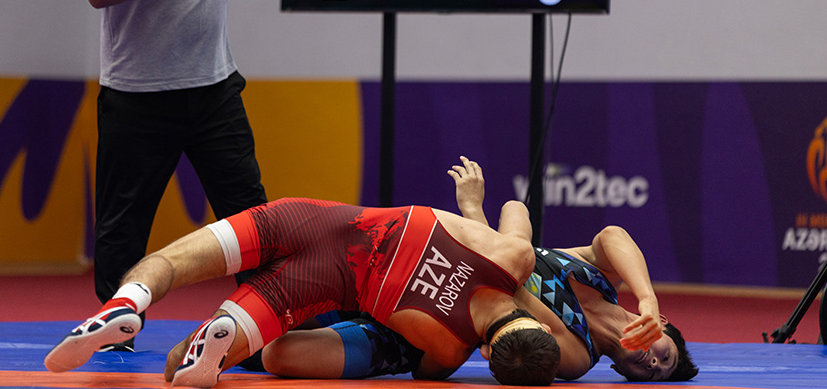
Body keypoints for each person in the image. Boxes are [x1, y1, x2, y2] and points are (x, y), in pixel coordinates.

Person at [82, 0, 388, 350]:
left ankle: (265, 321)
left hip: (213, 93)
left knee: (251, 217)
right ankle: (114, 331)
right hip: (136, 97)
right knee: (121, 227)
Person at [44, 158, 562, 387]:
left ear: (539, 322)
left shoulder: (513, 259)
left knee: (171, 261)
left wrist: (472, 208)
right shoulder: (450, 350)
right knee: (176, 368)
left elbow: (516, 210)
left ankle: (129, 301)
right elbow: (424, 368)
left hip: (309, 220)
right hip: (319, 285)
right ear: (488, 354)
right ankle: (212, 343)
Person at [255, 157, 699, 383]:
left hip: (428, 334)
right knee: (272, 295)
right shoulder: (598, 279)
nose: (652, 362)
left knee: (275, 356)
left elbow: (507, 293)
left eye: (653, 373)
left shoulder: (578, 357)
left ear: (624, 375)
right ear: (661, 324)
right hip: (419, 274)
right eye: (665, 355)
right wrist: (645, 296)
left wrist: (476, 213)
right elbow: (612, 235)